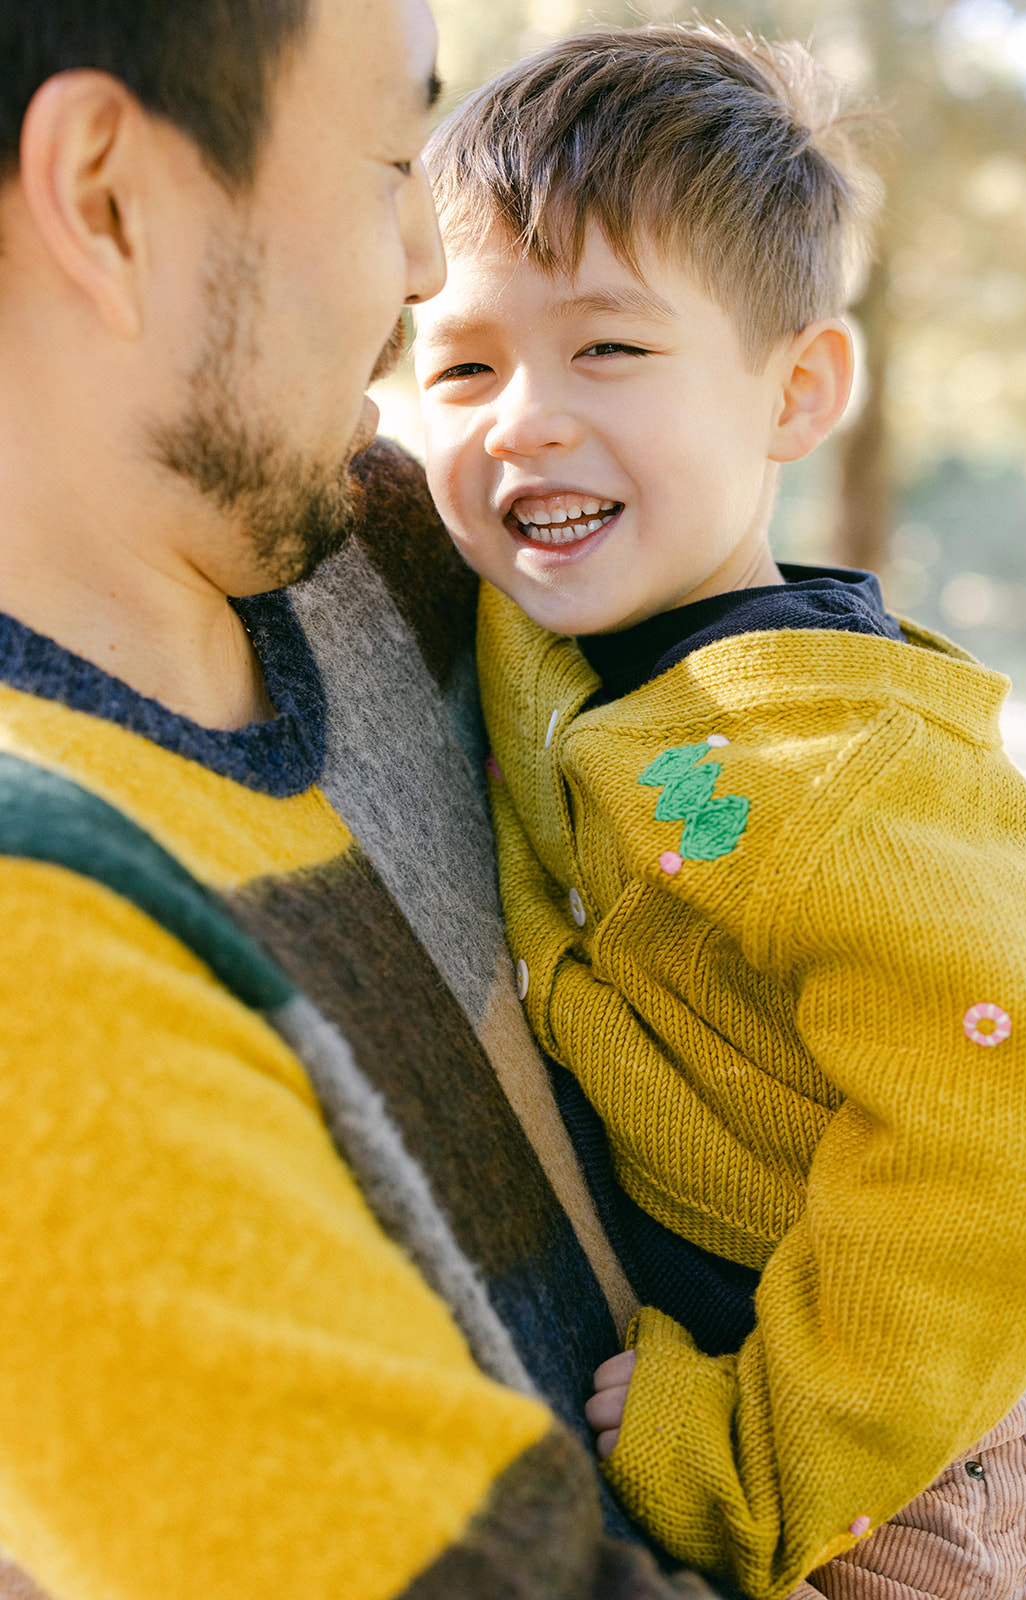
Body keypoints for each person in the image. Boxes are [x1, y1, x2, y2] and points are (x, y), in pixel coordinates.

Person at [0, 1, 729, 1595]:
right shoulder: (36, 928)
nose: (421, 266)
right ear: (107, 196)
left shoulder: (401, 561)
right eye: (393, 159)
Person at [413, 24, 1026, 1600]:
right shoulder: (585, 649)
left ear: (797, 389)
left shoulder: (830, 763)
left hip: (897, 1460)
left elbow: (1002, 1138)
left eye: (610, 352)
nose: (522, 420)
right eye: (462, 365)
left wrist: (757, 1456)